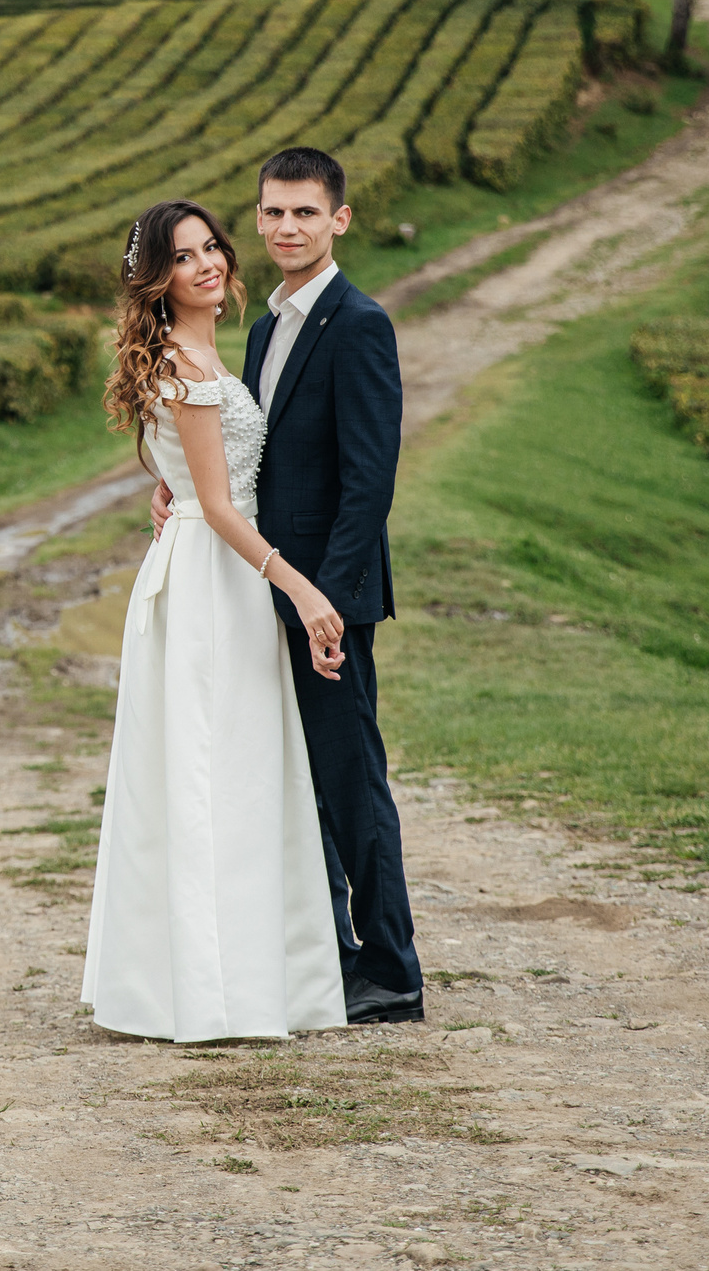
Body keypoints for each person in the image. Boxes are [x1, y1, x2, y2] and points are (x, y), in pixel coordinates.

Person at [150, 147, 423, 1025]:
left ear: (339, 219)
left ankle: (389, 969)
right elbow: (244, 456)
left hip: (323, 599)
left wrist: (327, 605)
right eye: (273, 213)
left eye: (306, 212)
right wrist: (177, 486)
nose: (286, 228)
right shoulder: (264, 329)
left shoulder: (360, 322)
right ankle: (324, 957)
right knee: (288, 779)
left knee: (350, 778)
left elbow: (367, 482)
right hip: (258, 586)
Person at [78, 198, 349, 1043]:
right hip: (210, 578)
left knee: (240, 770)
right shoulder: (184, 364)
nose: (206, 264)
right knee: (205, 772)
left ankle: (250, 977)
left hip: (215, 568)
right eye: (183, 256)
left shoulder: (200, 352)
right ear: (158, 280)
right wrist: (303, 590)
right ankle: (203, 989)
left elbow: (199, 479)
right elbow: (225, 510)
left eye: (210, 248)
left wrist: (174, 485)